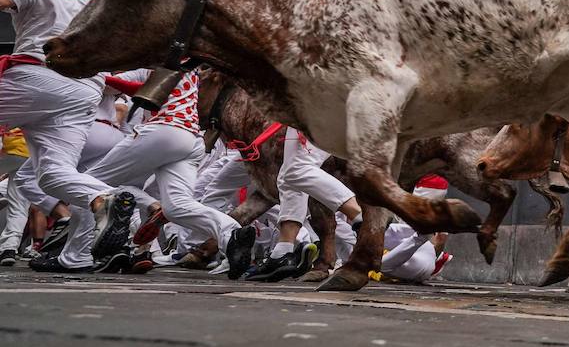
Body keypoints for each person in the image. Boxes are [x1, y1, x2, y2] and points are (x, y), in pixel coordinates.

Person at [49, 69, 256, 275]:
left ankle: (75, 258)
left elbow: (118, 86)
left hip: (162, 131)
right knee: (178, 206)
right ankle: (232, 233)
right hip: (191, 139)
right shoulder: (190, 68)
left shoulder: (164, 56)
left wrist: (90, 75)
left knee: (89, 185)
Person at [0, 0, 134, 272]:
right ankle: (87, 232)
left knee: (45, 175)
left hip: (37, 77)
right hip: (85, 91)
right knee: (53, 173)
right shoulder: (97, 1)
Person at [250, 127, 363, 282]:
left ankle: (359, 216)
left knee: (297, 169)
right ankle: (282, 253)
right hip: (309, 109)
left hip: (317, 108)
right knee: (287, 177)